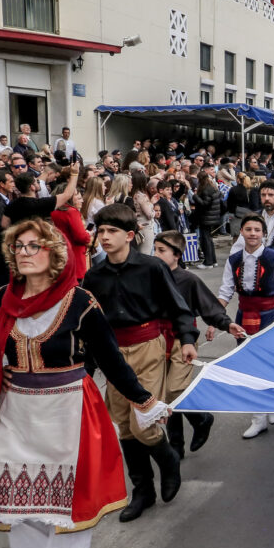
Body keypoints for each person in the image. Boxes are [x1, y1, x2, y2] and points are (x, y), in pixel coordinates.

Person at [0, 218, 167, 548]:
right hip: (16, 410)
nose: (24, 253)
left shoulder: (79, 302)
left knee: (65, 499)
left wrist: (143, 401)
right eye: (18, 247)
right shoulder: (2, 297)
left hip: (68, 408)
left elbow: (111, 359)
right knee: (19, 498)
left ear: (54, 254)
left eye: (33, 246)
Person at [81, 203, 199, 522]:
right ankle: (143, 491)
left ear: (130, 235)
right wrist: (86, 370)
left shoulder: (151, 267)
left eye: (111, 231)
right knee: (122, 425)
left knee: (143, 422)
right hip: (113, 354)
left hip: (147, 347)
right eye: (100, 230)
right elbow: (88, 327)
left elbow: (178, 307)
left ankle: (169, 461)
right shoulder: (93, 275)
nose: (103, 237)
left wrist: (187, 339)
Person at [152, 230, 243, 460]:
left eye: (161, 250)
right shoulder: (148, 276)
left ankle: (201, 418)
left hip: (183, 339)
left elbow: (208, 306)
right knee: (164, 395)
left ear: (177, 255)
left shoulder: (188, 279)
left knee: (175, 390)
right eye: (154, 249)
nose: (156, 254)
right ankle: (177, 445)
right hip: (154, 340)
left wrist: (226, 323)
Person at [218, 214, 274, 439]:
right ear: (241, 232)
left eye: (257, 230)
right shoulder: (233, 259)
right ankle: (258, 417)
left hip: (269, 315)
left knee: (270, 362)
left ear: (264, 234)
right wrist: (215, 318)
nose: (253, 233)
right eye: (248, 229)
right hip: (244, 315)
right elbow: (225, 291)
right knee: (248, 365)